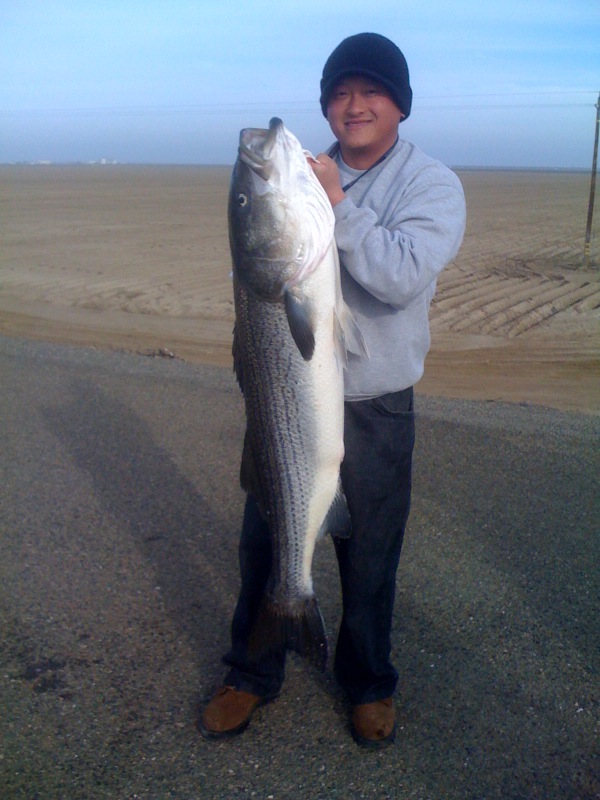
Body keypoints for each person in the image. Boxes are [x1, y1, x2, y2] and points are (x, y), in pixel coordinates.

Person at [199, 32, 466, 748]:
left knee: (370, 553)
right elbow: (267, 262)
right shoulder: (302, 176)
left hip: (378, 403)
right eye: (340, 93)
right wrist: (309, 194)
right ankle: (251, 669)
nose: (354, 106)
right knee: (266, 541)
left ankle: (368, 682)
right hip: (289, 402)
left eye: (371, 91)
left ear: (400, 105)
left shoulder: (431, 185)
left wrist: (337, 203)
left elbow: (400, 275)